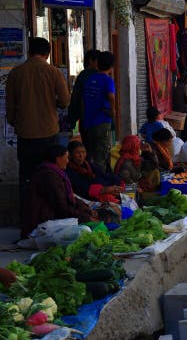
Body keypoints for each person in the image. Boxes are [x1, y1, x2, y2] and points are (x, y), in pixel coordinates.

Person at [6, 37, 71, 216]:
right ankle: (48, 216)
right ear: (48, 54)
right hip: (49, 132)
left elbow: (10, 108)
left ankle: (27, 218)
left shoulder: (16, 73)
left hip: (25, 134)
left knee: (27, 177)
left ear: (29, 52)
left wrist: (16, 121)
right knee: (50, 175)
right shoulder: (53, 72)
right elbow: (65, 101)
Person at [21, 144, 96, 238]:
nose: (68, 161)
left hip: (50, 216)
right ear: (58, 159)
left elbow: (68, 198)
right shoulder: (49, 177)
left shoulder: (55, 173)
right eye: (66, 158)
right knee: (85, 230)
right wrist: (85, 217)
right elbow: (62, 207)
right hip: (41, 224)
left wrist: (86, 209)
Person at [81, 51, 116, 171]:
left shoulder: (90, 79)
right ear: (111, 66)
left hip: (89, 121)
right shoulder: (107, 80)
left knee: (92, 153)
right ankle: (99, 183)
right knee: (101, 154)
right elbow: (111, 96)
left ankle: (95, 177)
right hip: (102, 121)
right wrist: (113, 111)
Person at [66, 49, 99, 129]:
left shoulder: (83, 75)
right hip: (98, 120)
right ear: (91, 60)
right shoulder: (98, 75)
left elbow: (75, 98)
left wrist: (72, 119)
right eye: (98, 60)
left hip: (85, 119)